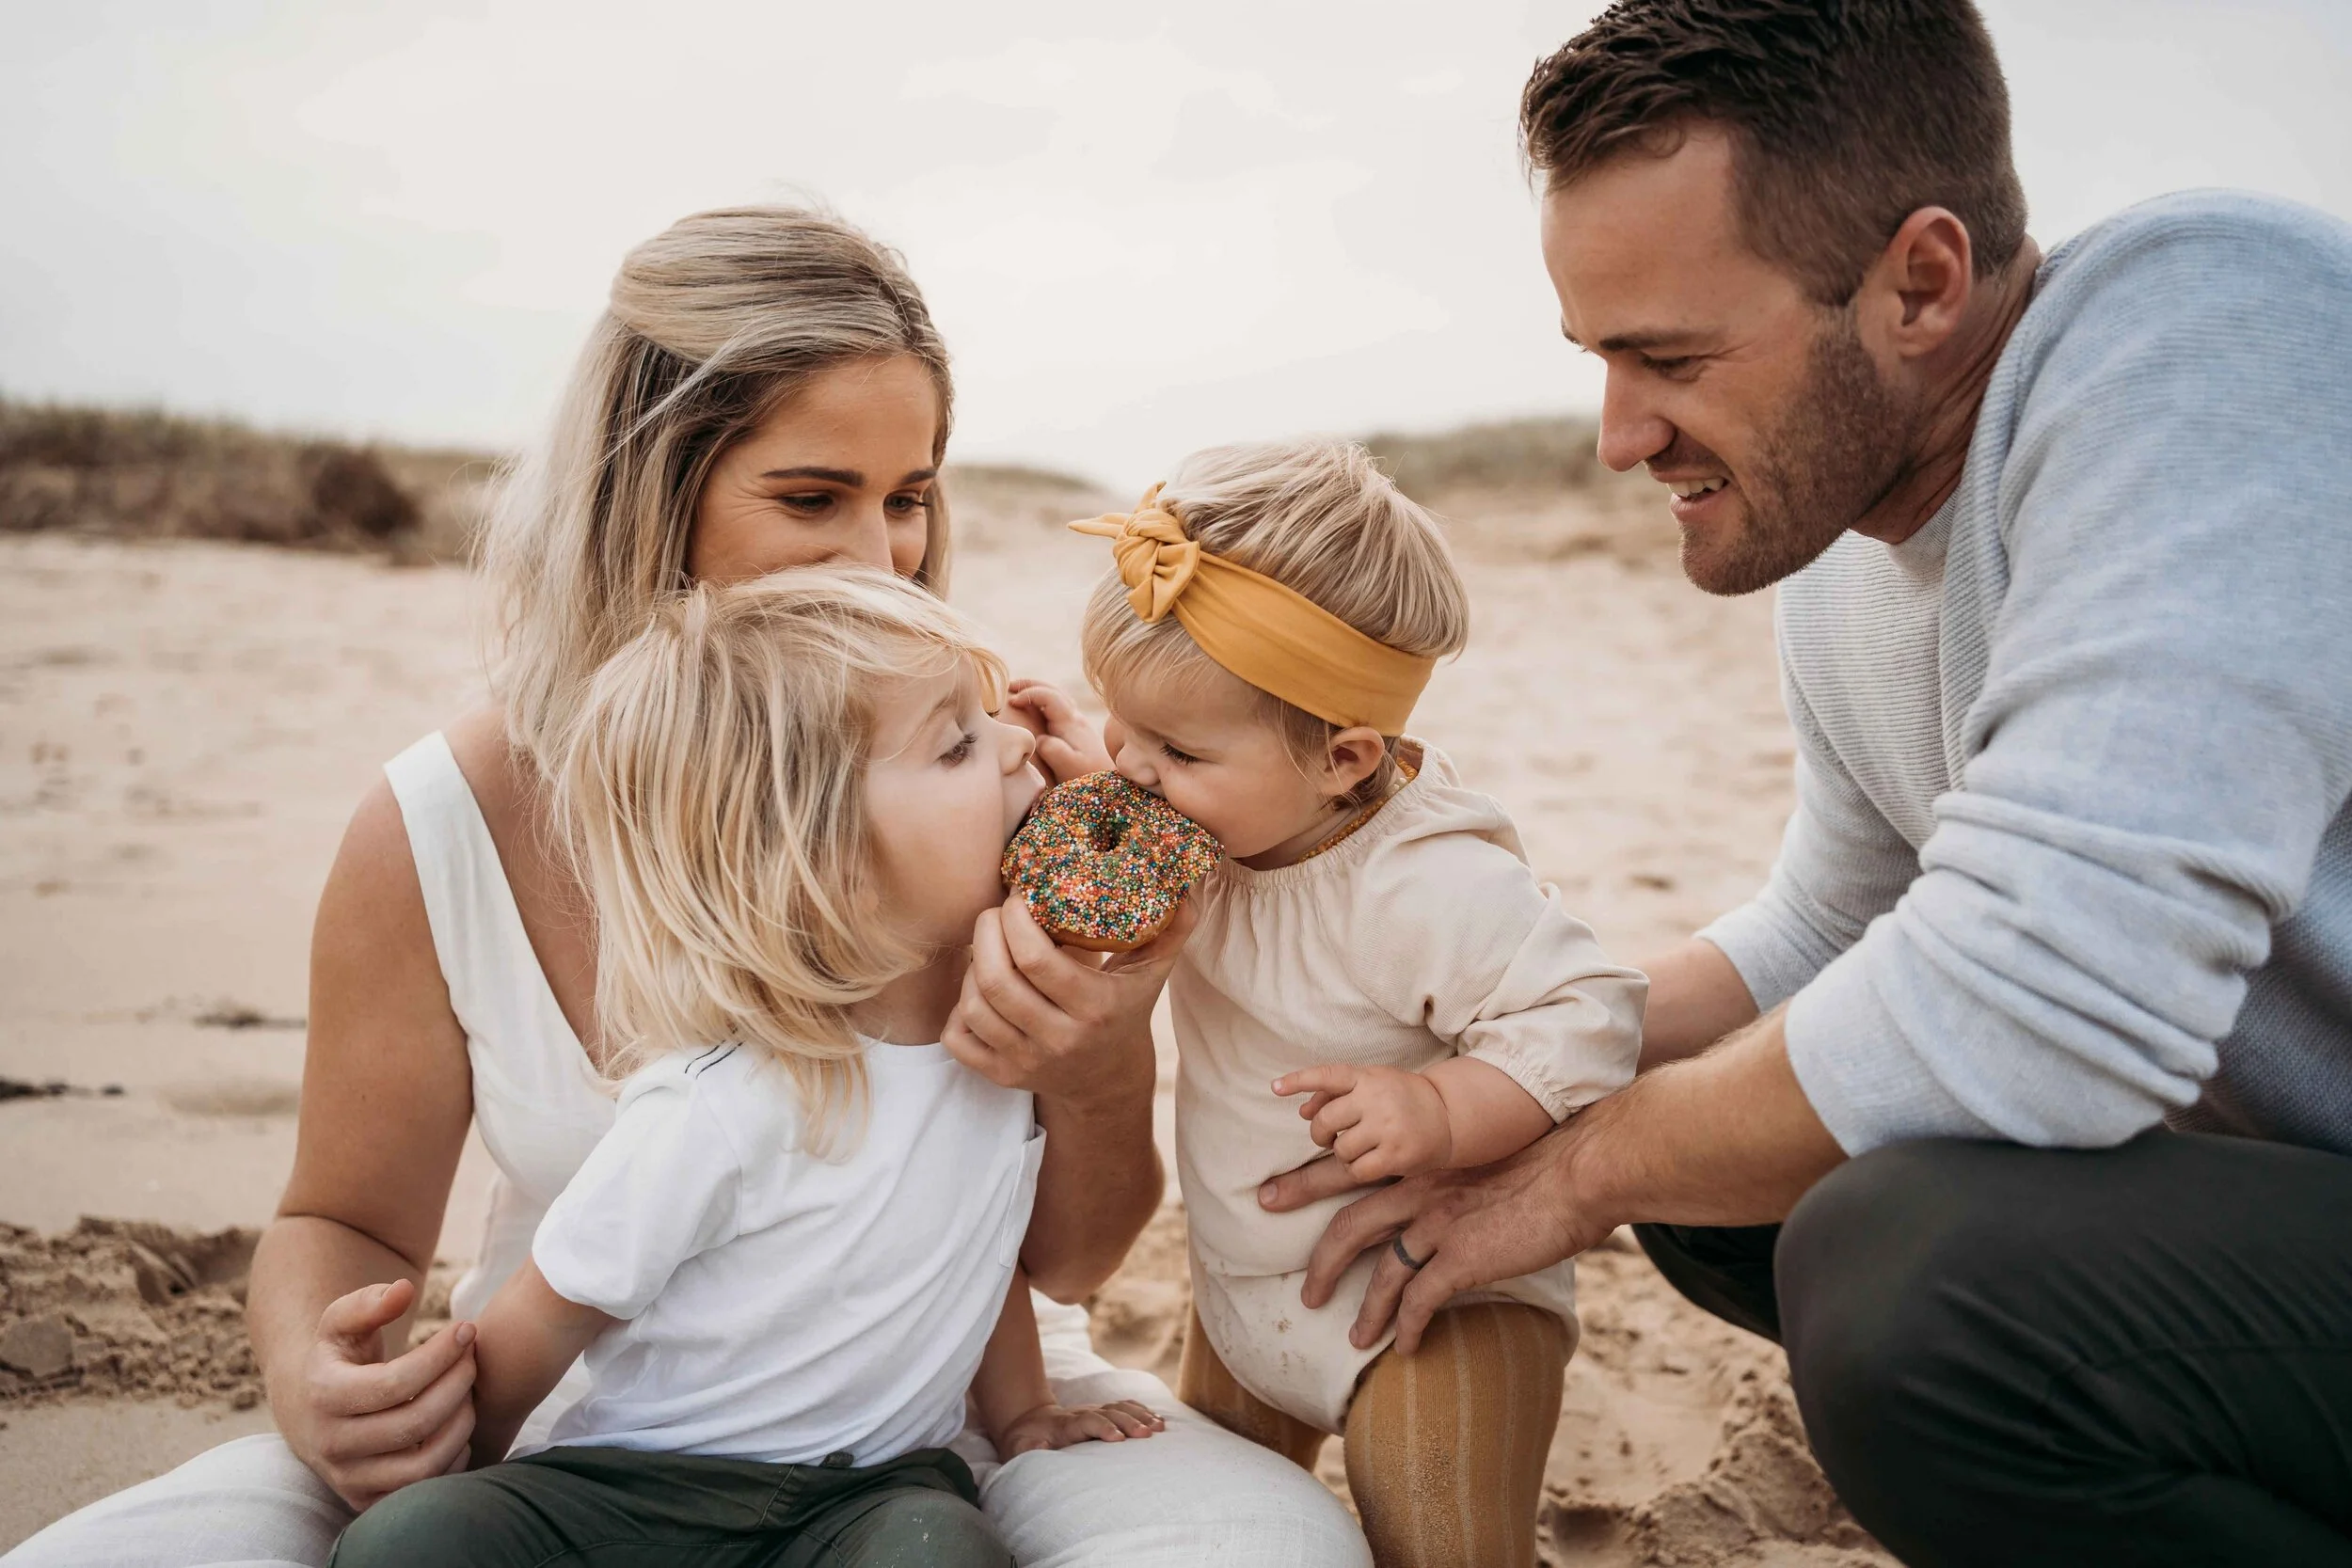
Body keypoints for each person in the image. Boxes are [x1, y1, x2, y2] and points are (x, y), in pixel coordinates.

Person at [8, 206, 1365, 1568]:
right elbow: (343, 1217)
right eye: (811, 497)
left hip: (934, 1419)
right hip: (579, 1433)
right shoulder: (442, 821)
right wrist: (323, 1380)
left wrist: (1101, 1056)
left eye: (907, 497)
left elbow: (1059, 1263)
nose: (879, 557)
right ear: (648, 486)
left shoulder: (970, 785)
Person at [1265, 3, 2352, 1565]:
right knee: (1684, 1138)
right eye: (1600, 358)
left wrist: (1576, 1172)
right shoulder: (1850, 552)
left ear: (1922, 283)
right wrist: (1513, 1056)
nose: (1620, 436)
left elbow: (2047, 995)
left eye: (1671, 358)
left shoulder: (2219, 329)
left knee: (1918, 1283)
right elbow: (1833, 929)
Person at [333, 570, 1165, 1567]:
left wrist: (1025, 1412)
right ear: (830, 866)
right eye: (957, 743)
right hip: (636, 1491)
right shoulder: (723, 1099)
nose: (1019, 743)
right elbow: (549, 1311)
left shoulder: (1003, 1057)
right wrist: (457, 1457)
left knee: (943, 1550)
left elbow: (972, 1262)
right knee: (409, 1539)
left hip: (867, 1497)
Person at [1069, 439, 1646, 1568]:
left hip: (1430, 1296)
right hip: (1242, 1290)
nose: (1129, 768)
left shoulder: (1420, 881)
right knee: (1214, 1529)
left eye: (1175, 748)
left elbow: (1590, 1011)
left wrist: (1445, 1107)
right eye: (1116, 723)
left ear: (1343, 758)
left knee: (1439, 1535)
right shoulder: (1208, 819)